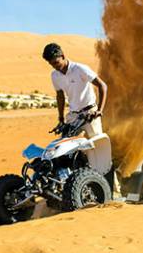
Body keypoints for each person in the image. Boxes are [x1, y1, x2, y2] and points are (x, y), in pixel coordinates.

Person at [42, 42, 111, 175]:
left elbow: (103, 86)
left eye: (56, 62)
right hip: (73, 116)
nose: (55, 66)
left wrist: (99, 111)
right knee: (64, 149)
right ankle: (70, 180)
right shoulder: (55, 75)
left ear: (63, 56)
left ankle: (108, 185)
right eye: (51, 64)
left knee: (98, 150)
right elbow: (60, 96)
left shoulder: (80, 69)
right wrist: (61, 118)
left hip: (90, 113)